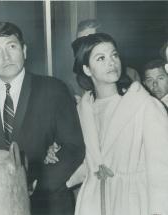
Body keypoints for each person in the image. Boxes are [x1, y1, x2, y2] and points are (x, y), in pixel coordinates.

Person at [0, 21, 85, 215]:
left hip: (47, 203)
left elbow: (73, 147)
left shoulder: (53, 89)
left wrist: (36, 184)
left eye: (12, 47)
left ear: (24, 50)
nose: (6, 57)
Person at [67, 33, 168, 215]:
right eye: (101, 58)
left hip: (133, 201)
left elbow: (161, 168)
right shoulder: (83, 110)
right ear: (87, 69)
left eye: (114, 55)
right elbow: (87, 161)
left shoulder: (144, 105)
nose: (111, 62)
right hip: (93, 202)